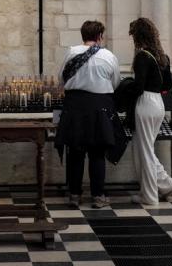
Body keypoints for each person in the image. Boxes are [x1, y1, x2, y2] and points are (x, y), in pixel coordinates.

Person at [56, 20, 121, 209]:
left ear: (83, 35)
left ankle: (75, 195)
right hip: (100, 107)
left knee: (75, 152)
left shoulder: (71, 52)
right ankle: (98, 196)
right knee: (97, 153)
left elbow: (61, 78)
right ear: (100, 36)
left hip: (75, 106)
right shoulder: (108, 55)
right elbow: (115, 82)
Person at [128, 17, 172, 205]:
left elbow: (138, 86)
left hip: (146, 102)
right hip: (158, 103)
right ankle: (165, 183)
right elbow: (168, 85)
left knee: (145, 150)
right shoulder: (162, 57)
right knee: (146, 148)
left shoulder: (142, 56)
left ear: (138, 36)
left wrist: (124, 90)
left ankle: (149, 196)